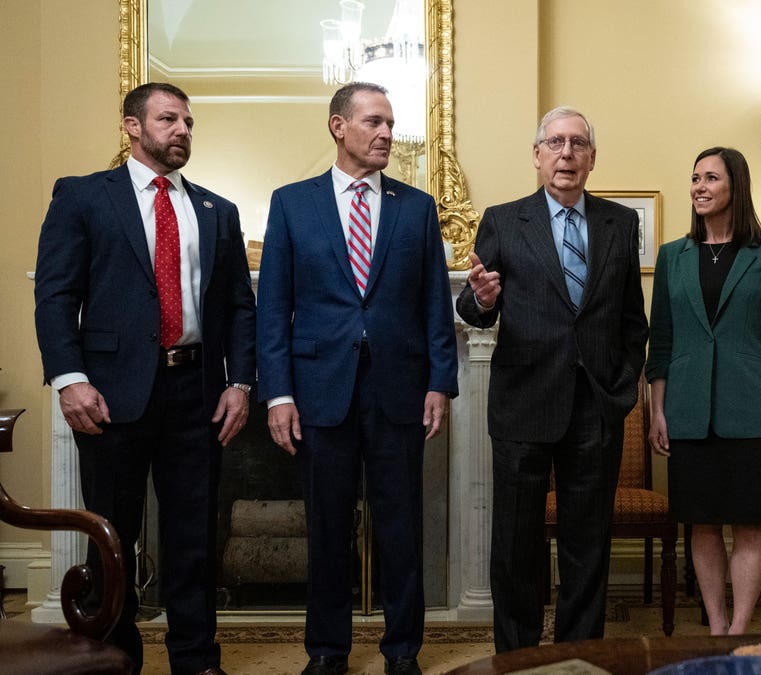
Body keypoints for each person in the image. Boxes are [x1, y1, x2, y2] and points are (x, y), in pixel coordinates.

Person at [33, 81, 255, 675]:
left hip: (197, 392)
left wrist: (241, 383)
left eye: (187, 122)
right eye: (167, 120)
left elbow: (238, 307)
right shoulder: (83, 197)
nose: (181, 130)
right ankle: (111, 659)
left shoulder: (216, 210)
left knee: (193, 538)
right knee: (110, 537)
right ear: (132, 126)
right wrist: (68, 378)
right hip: (108, 394)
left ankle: (196, 660)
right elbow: (55, 294)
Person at [256, 82, 458, 675]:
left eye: (391, 123)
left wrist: (440, 383)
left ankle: (402, 652)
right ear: (338, 126)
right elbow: (273, 306)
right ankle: (327, 650)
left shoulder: (415, 207)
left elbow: (433, 306)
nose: (387, 134)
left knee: (402, 528)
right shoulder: (292, 203)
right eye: (373, 121)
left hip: (399, 390)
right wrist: (279, 394)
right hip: (320, 392)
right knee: (325, 527)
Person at [455, 106, 648, 652]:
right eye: (555, 143)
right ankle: (516, 657)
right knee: (516, 545)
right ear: (537, 155)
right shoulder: (502, 218)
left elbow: (632, 318)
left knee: (588, 546)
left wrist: (622, 385)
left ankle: (578, 655)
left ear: (592, 158)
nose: (567, 154)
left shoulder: (620, 223)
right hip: (523, 405)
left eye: (578, 144)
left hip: (596, 407)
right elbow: (475, 305)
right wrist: (481, 300)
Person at [645, 146, 761, 635]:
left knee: (749, 524)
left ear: (736, 186)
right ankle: (716, 628)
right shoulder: (672, 256)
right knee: (703, 524)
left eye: (711, 178)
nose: (699, 187)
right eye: (694, 178)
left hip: (753, 410)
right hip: (689, 410)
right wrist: (657, 410)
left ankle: (739, 631)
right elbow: (662, 339)